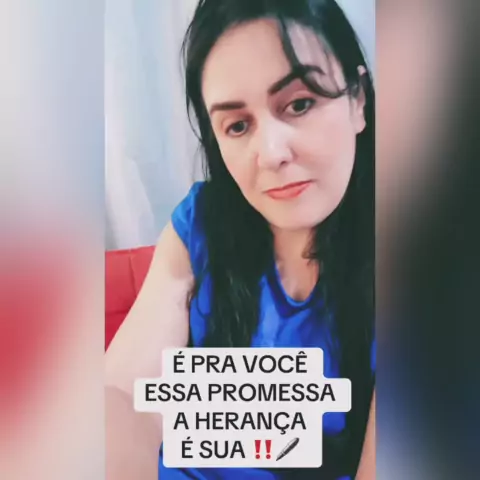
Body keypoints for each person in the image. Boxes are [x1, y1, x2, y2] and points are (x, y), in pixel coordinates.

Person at [105, 0, 375, 479]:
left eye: (299, 103)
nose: (270, 153)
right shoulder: (201, 225)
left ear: (358, 101)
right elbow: (125, 396)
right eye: (237, 125)